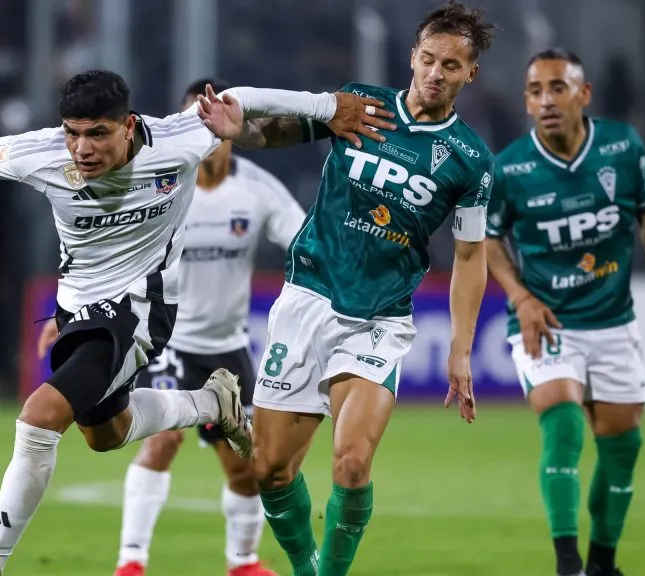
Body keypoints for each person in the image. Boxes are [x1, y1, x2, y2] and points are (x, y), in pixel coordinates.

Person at [0, 69, 395, 576]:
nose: (82, 148)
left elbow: (242, 97)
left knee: (39, 416)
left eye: (97, 133)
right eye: (73, 132)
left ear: (128, 126)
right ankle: (209, 404)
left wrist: (328, 107)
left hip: (142, 307)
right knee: (106, 434)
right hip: (77, 308)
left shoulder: (178, 139)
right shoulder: (42, 153)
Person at [195, 2, 495, 574]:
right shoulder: (365, 105)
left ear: (469, 74)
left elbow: (470, 253)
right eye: (428, 59)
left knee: (352, 462)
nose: (436, 73)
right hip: (308, 295)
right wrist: (244, 132)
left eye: (451, 66)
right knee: (270, 470)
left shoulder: (471, 161)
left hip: (380, 317)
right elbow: (286, 128)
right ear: (412, 56)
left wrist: (461, 348)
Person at [34, 77, 307, 576]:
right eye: (190, 120)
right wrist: (67, 316)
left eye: (207, 120)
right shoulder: (158, 179)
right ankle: (131, 561)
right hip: (165, 339)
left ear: (230, 128)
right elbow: (95, 253)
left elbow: (304, 242)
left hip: (227, 346)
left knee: (247, 466)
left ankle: (242, 561)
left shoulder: (258, 191)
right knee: (161, 442)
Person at [485, 48, 645, 576]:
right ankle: (567, 564)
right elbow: (486, 241)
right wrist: (522, 298)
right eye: (535, 91)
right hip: (547, 320)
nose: (546, 100)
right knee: (563, 425)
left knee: (623, 446)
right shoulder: (510, 168)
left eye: (557, 87)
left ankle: (602, 563)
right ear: (527, 102)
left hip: (613, 320)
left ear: (584, 94)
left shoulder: (623, 147)